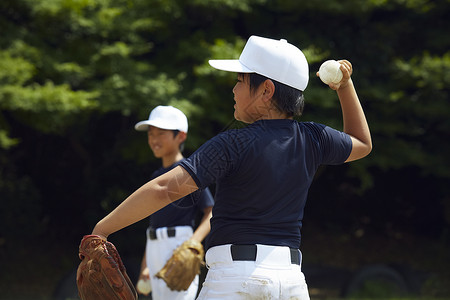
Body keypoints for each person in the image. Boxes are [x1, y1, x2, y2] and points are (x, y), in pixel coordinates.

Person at [89, 35, 372, 299]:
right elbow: (362, 142)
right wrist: (345, 86)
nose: (234, 89)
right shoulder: (313, 138)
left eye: (240, 80)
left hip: (236, 281)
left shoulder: (233, 143)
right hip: (292, 282)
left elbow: (165, 188)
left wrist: (102, 229)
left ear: (266, 90)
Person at [133, 105, 214, 300]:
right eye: (151, 134)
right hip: (154, 246)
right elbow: (154, 222)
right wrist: (145, 265)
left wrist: (193, 242)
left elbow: (211, 211)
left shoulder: (188, 173)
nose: (153, 139)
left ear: (181, 136)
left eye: (161, 133)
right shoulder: (156, 176)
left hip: (178, 244)